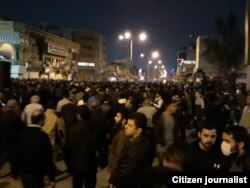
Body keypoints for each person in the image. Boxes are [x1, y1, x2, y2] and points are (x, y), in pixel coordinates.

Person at [11, 110, 56, 188]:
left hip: (23, 171)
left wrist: (14, 171)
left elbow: (15, 153)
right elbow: (47, 157)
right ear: (41, 120)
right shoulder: (42, 136)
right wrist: (51, 177)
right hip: (36, 172)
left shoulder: (22, 134)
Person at [108, 112, 151, 188]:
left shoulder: (135, 149)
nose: (125, 126)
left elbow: (126, 171)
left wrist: (113, 180)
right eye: (127, 123)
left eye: (130, 125)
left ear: (138, 130)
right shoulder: (143, 141)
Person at [64, 105, 97, 188]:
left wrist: (69, 165)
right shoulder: (93, 127)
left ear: (79, 115)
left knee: (77, 184)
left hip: (76, 165)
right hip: (90, 163)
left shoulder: (72, 129)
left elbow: (67, 149)